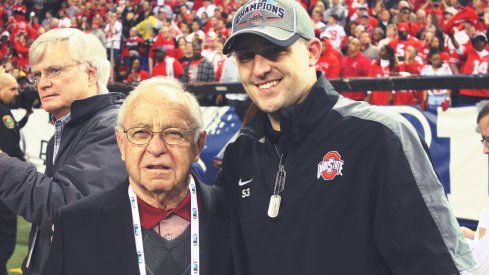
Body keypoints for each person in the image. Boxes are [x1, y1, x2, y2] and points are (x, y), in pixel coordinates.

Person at [218, 0, 475, 273]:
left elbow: (439, 266)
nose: (259, 69)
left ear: (312, 52)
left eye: (274, 51)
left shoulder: (379, 137)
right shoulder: (239, 153)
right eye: (246, 56)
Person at [42, 77, 233, 275]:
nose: (156, 148)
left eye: (173, 133)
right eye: (141, 133)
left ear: (198, 144)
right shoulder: (75, 224)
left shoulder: (237, 215)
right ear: (121, 143)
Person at [0, 28, 127, 275]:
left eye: (55, 70)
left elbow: (66, 208)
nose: (43, 83)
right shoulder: (70, 127)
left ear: (91, 73)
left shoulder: (113, 128)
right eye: (37, 75)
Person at [0, 73, 31, 275]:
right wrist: (25, 168)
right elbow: (10, 146)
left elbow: (14, 130)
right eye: (12, 89)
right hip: (4, 183)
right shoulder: (3, 113)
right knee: (5, 234)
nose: (16, 93)